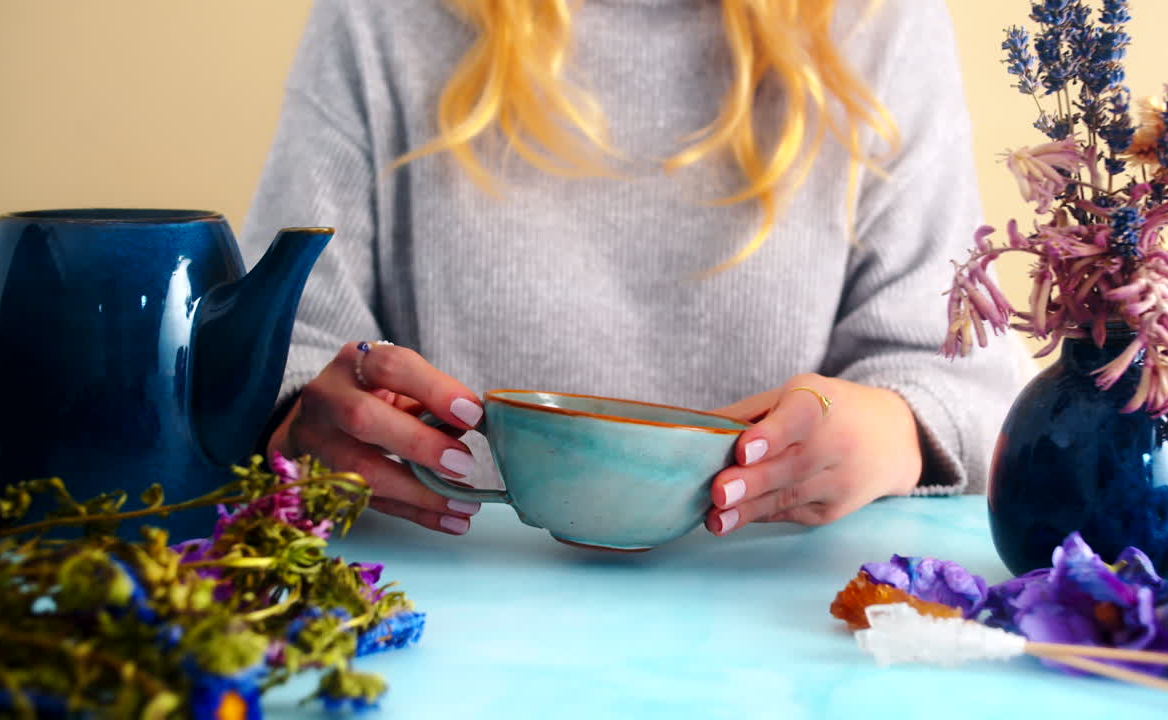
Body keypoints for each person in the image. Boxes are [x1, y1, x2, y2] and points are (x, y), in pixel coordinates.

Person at [240, 0, 1028, 539]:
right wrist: (301, 415)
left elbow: (962, 376)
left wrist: (892, 430)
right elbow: (276, 347)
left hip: (777, 617)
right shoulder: (381, 19)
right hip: (437, 595)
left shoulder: (881, 22)